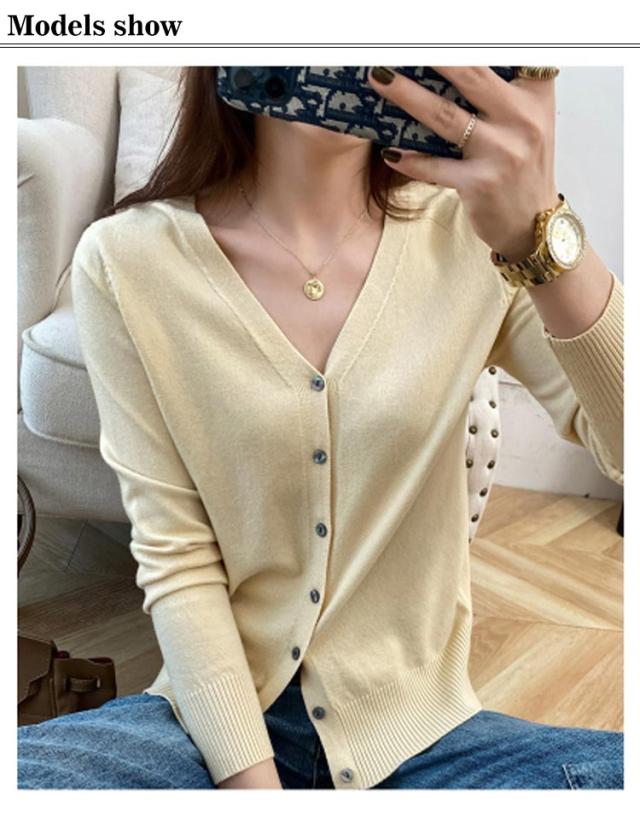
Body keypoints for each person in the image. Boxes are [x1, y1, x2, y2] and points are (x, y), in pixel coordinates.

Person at [18, 66, 623, 790]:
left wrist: (541, 234)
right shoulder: (126, 260)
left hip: (422, 737)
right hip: (207, 729)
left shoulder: (475, 234)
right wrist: (252, 785)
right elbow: (176, 551)